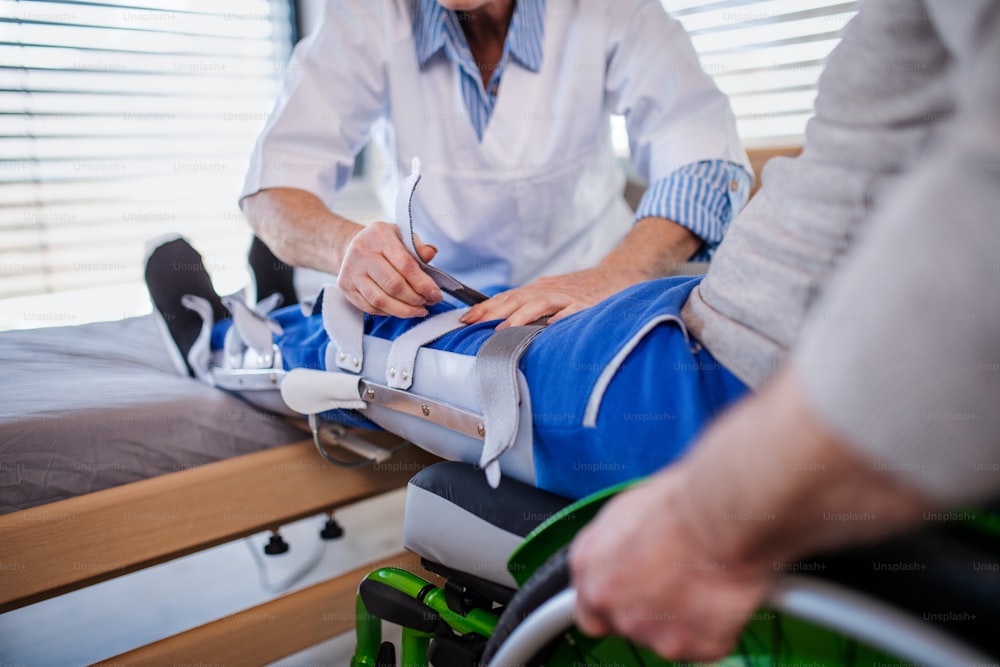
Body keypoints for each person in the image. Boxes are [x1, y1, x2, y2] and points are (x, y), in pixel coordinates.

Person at [568, 0, 1000, 662]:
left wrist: (705, 522)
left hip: (723, 351)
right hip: (707, 311)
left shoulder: (612, 16)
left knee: (448, 350)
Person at [239, 0, 752, 326]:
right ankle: (256, 313)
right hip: (438, 298)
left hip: (593, 281)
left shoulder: (612, 11)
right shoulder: (366, 16)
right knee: (323, 327)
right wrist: (343, 245)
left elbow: (705, 159)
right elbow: (274, 187)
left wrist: (615, 275)